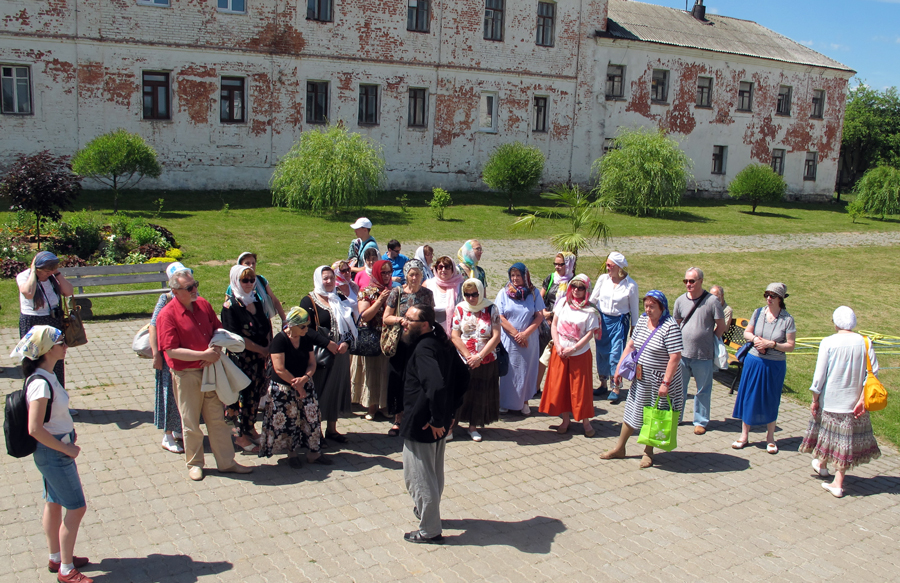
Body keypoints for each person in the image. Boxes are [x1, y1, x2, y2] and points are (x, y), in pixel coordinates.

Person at [156, 269, 253, 481]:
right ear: (174, 291)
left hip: (211, 370)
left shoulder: (203, 304)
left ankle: (227, 463)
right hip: (187, 375)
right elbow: (170, 350)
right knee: (191, 422)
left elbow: (218, 330)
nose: (195, 290)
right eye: (189, 287)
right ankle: (195, 464)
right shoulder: (167, 314)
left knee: (217, 419)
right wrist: (203, 355)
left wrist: (216, 351)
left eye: (195, 284)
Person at [16, 326, 93, 583]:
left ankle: (56, 557)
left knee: (53, 502)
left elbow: (52, 417)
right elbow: (35, 428)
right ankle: (67, 570)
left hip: (55, 448)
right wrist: (67, 448)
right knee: (77, 507)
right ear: (47, 350)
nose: (65, 345)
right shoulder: (40, 384)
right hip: (54, 453)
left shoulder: (47, 375)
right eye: (60, 342)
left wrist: (68, 432)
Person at [800, 306, 881, 498]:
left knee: (835, 440)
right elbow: (873, 373)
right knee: (841, 441)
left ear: (836, 322)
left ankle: (837, 482)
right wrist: (862, 398)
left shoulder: (828, 342)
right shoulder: (865, 342)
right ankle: (822, 465)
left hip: (832, 400)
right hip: (854, 402)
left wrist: (815, 398)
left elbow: (819, 376)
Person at [600, 291, 683, 469]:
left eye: (652, 306)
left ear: (662, 307)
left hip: (660, 381)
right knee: (632, 412)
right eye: (646, 305)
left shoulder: (670, 326)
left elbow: (675, 357)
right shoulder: (643, 322)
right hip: (641, 378)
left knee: (654, 416)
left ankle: (648, 452)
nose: (648, 309)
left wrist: (666, 383)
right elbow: (631, 345)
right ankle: (619, 448)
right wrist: (619, 367)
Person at [400, 305, 458, 544]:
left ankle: (430, 530)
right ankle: (427, 512)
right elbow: (461, 377)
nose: (403, 322)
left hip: (424, 423)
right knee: (433, 474)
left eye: (409, 319)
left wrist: (436, 419)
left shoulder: (425, 349)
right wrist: (450, 414)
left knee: (418, 478)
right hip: (437, 420)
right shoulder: (439, 342)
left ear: (424, 324)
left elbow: (435, 385)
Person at [259, 307, 333, 467]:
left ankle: (314, 452)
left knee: (312, 418)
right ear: (292, 325)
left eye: (307, 325)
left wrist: (305, 378)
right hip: (283, 388)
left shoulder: (305, 338)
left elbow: (312, 363)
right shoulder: (280, 340)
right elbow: (279, 368)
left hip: (305, 384)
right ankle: (291, 453)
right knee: (289, 421)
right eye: (303, 326)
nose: (306, 329)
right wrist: (297, 385)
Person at [732, 283, 796, 453]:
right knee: (748, 396)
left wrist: (772, 344)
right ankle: (744, 435)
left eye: (772, 295)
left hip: (774, 365)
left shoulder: (787, 319)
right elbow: (747, 333)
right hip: (754, 361)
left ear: (780, 298)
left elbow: (790, 345)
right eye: (766, 294)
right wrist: (755, 340)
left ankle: (770, 438)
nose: (768, 298)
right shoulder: (758, 312)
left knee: (771, 399)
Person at [300, 265, 357, 444]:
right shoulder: (309, 301)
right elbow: (305, 330)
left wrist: (346, 343)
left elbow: (351, 324)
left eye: (332, 278)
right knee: (319, 391)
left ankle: (332, 429)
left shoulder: (340, 298)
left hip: (340, 354)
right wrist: (328, 343)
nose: (329, 281)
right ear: (318, 279)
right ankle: (315, 432)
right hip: (319, 355)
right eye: (325, 278)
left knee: (336, 390)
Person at [539, 274, 600, 437]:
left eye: (581, 288)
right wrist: (557, 345)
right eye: (574, 287)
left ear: (587, 290)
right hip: (560, 352)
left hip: (579, 354)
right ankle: (565, 420)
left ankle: (586, 422)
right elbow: (555, 325)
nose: (577, 291)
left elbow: (589, 334)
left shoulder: (591, 310)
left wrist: (573, 348)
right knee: (562, 387)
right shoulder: (562, 303)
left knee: (581, 389)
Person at [221, 264, 273, 453]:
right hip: (241, 360)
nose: (250, 284)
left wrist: (267, 348)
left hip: (259, 359)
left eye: (252, 280)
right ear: (236, 281)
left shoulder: (256, 300)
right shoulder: (230, 306)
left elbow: (266, 323)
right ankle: (238, 436)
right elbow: (235, 338)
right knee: (238, 399)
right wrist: (260, 349)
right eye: (245, 280)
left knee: (255, 394)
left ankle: (250, 428)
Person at [384, 259, 435, 436]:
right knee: (398, 379)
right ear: (406, 275)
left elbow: (431, 318)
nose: (414, 278)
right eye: (411, 274)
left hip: (420, 344)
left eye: (418, 274)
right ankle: (398, 420)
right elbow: (386, 317)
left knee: (417, 380)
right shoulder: (396, 292)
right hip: (400, 344)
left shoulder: (427, 294)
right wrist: (401, 320)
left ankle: (416, 416)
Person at [673, 267, 725, 435]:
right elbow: (676, 324)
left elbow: (721, 325)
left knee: (703, 389)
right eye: (686, 281)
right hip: (682, 354)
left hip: (703, 355)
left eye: (692, 281)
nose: (688, 284)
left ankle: (700, 421)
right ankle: (676, 417)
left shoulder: (712, 301)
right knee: (679, 387)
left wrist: (709, 339)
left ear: (701, 281)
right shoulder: (680, 300)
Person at [450, 278, 501, 442]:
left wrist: (479, 356)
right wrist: (468, 356)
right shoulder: (460, 308)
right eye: (467, 294)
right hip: (463, 359)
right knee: (458, 393)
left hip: (485, 359)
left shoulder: (491, 308)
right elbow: (455, 335)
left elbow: (496, 336)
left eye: (474, 294)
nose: (471, 298)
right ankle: (451, 427)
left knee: (479, 393)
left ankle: (473, 426)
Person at [17, 251, 74, 387]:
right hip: (33, 321)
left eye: (51, 270)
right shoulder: (23, 276)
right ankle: (36, 395)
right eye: (46, 271)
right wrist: (32, 273)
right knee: (34, 360)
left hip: (53, 320)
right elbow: (29, 293)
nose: (48, 274)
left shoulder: (52, 277)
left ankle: (57, 397)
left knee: (56, 359)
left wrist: (57, 274)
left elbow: (68, 291)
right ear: (36, 268)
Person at [495, 262, 545, 415]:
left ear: (525, 276)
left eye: (518, 275)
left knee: (526, 370)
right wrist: (516, 334)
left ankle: (524, 401)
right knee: (509, 370)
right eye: (512, 275)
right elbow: (500, 316)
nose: (515, 278)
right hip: (509, 339)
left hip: (529, 340)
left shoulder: (534, 292)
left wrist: (525, 334)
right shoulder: (503, 293)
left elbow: (539, 315)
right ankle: (505, 401)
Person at [149, 262, 188, 454]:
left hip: (185, 355)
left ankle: (181, 431)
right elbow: (153, 326)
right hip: (168, 357)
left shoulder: (191, 298)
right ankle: (167, 434)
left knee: (184, 395)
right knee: (168, 395)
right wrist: (156, 354)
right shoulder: (165, 299)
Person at [589, 252, 639, 401]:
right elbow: (593, 300)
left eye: (610, 265)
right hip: (602, 320)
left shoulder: (630, 285)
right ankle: (603, 384)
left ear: (618, 267)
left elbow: (635, 309)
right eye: (607, 264)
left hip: (619, 322)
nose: (607, 267)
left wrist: (634, 327)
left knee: (616, 354)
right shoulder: (603, 279)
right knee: (602, 352)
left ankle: (616, 386)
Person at [354, 259, 394, 420]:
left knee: (386, 372)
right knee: (371, 371)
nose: (386, 276)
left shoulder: (394, 290)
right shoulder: (366, 292)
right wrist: (379, 300)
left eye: (389, 272)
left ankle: (384, 406)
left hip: (388, 339)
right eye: (383, 272)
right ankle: (371, 406)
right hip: (371, 337)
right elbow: (365, 315)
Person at [537, 252, 576, 396]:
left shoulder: (574, 282)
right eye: (556, 264)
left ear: (569, 264)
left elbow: (572, 303)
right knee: (541, 355)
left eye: (561, 264)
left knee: (555, 356)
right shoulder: (551, 277)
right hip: (545, 322)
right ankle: (536, 387)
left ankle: (556, 388)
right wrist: (544, 312)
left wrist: (554, 314)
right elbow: (540, 297)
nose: (558, 267)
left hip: (562, 324)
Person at [231, 252, 287, 323]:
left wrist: (284, 320)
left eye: (253, 263)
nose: (251, 266)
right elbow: (230, 308)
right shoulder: (234, 287)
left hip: (264, 324)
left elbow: (275, 300)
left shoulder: (260, 280)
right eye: (247, 263)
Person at [424, 255, 464, 335]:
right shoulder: (428, 284)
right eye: (440, 267)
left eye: (447, 267)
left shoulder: (460, 285)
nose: (443, 270)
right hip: (431, 330)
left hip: (455, 331)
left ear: (453, 269)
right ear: (436, 268)